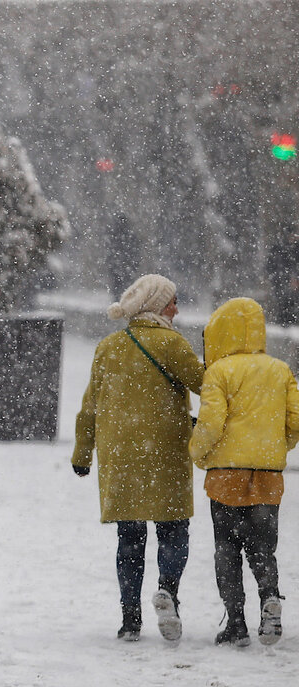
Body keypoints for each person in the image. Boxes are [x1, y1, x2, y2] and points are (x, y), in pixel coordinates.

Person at [72, 274, 204, 642]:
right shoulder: (172, 345)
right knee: (173, 529)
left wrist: (83, 453)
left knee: (129, 538)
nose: (177, 309)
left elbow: (90, 406)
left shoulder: (109, 346)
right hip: (165, 452)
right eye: (173, 302)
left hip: (121, 456)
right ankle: (167, 592)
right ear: (159, 306)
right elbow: (207, 384)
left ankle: (130, 619)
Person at [189, 297, 299, 646]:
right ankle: (270, 598)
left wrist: (197, 453)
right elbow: (295, 420)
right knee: (263, 547)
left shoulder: (218, 371)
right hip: (268, 473)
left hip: (226, 473)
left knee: (227, 547)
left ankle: (236, 623)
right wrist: (278, 446)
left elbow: (210, 422)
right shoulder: (280, 369)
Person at [265, 224, 299, 326]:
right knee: (283, 300)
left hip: (289, 279)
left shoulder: (294, 248)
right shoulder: (278, 248)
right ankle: (284, 320)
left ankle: (290, 320)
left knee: (291, 300)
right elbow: (271, 265)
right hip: (281, 279)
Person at [106, 212, 141, 303]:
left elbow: (110, 250)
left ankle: (118, 302)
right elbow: (136, 250)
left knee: (118, 286)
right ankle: (124, 302)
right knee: (125, 285)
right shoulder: (129, 235)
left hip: (119, 265)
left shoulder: (114, 235)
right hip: (126, 266)